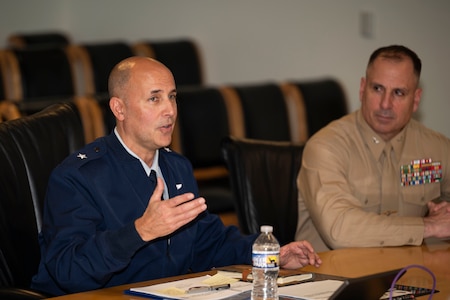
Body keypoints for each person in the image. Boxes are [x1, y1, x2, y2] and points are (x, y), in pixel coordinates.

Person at [31, 56, 321, 296]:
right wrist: (140, 232)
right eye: (154, 99)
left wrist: (269, 254)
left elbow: (208, 241)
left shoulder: (176, 166)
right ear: (119, 108)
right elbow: (68, 272)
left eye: (172, 97)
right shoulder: (78, 177)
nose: (169, 110)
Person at [295, 45, 450, 252]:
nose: (385, 104)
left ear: (416, 100)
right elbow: (340, 230)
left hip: (409, 278)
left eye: (398, 93)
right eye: (377, 89)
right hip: (336, 279)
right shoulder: (326, 147)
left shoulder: (437, 148)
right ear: (362, 89)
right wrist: (428, 226)